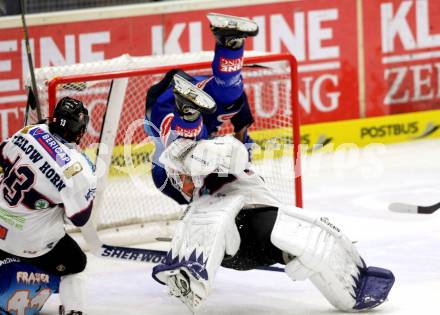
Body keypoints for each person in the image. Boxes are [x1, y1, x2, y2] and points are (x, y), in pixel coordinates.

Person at [151, 135, 395, 313]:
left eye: (181, 176)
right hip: (235, 248)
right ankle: (190, 273)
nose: (181, 184)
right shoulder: (201, 196)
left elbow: (235, 150)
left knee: (305, 240)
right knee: (205, 213)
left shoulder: (228, 168)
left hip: (260, 225)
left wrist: (195, 152)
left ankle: (358, 281)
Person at [144, 13, 258, 205]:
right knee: (229, 92)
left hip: (166, 110)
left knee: (189, 149)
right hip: (183, 96)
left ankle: (189, 114)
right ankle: (230, 42)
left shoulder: (172, 171)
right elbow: (241, 125)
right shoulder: (214, 157)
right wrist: (241, 161)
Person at [0, 97, 96, 315]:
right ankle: (74, 311)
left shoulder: (29, 131)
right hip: (31, 243)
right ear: (80, 131)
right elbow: (80, 218)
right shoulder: (78, 168)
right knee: (77, 263)